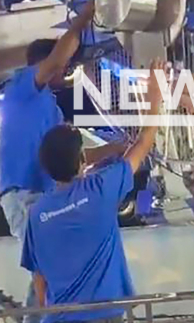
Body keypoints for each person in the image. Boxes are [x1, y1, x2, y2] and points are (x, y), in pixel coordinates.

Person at [20, 60, 166, 323]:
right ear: (81, 161)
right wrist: (155, 93)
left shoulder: (36, 213)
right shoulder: (100, 189)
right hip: (104, 316)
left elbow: (39, 280)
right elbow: (145, 140)